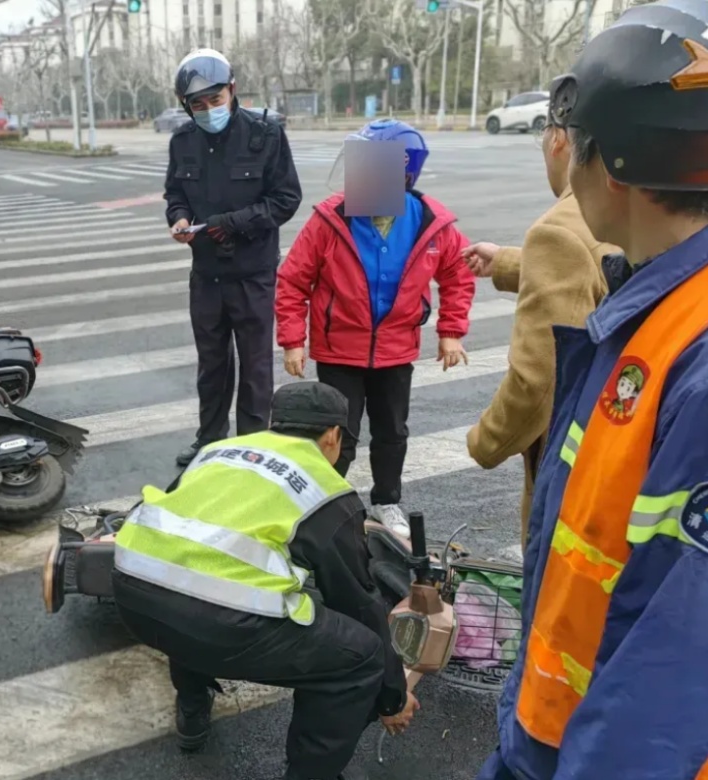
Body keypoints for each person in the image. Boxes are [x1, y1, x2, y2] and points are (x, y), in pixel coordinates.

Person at [475, 2, 708, 779]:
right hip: (549, 725)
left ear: (612, 168)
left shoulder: (692, 359)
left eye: (573, 140)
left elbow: (674, 668)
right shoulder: (651, 297)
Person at [112, 381, 418, 780]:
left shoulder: (217, 451)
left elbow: (189, 539)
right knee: (357, 657)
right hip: (221, 626)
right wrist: (392, 698)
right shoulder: (324, 491)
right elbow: (358, 604)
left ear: (277, 424)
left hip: (134, 594)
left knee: (191, 579)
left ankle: (192, 705)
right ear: (332, 436)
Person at [275, 119, 475, 537]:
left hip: (396, 350)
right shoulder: (331, 219)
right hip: (337, 350)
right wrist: (293, 340)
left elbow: (457, 273)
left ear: (404, 174)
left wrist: (451, 330)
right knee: (337, 436)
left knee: (392, 432)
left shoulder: (429, 222)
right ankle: (329, 503)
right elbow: (293, 279)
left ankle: (387, 501)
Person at [460, 100, 619, 553]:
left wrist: (486, 442)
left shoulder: (560, 228)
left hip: (575, 459)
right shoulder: (636, 201)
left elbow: (536, 381)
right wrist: (510, 261)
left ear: (558, 139)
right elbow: (600, 266)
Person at [164, 48, 302, 467]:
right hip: (206, 274)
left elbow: (286, 199)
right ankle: (209, 440)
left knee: (256, 367)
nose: (208, 110)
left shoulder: (266, 135)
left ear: (233, 90)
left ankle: (253, 446)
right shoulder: (183, 141)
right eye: (198, 104)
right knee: (211, 366)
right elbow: (175, 193)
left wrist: (234, 222)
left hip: (253, 274)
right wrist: (179, 218)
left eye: (215, 99)